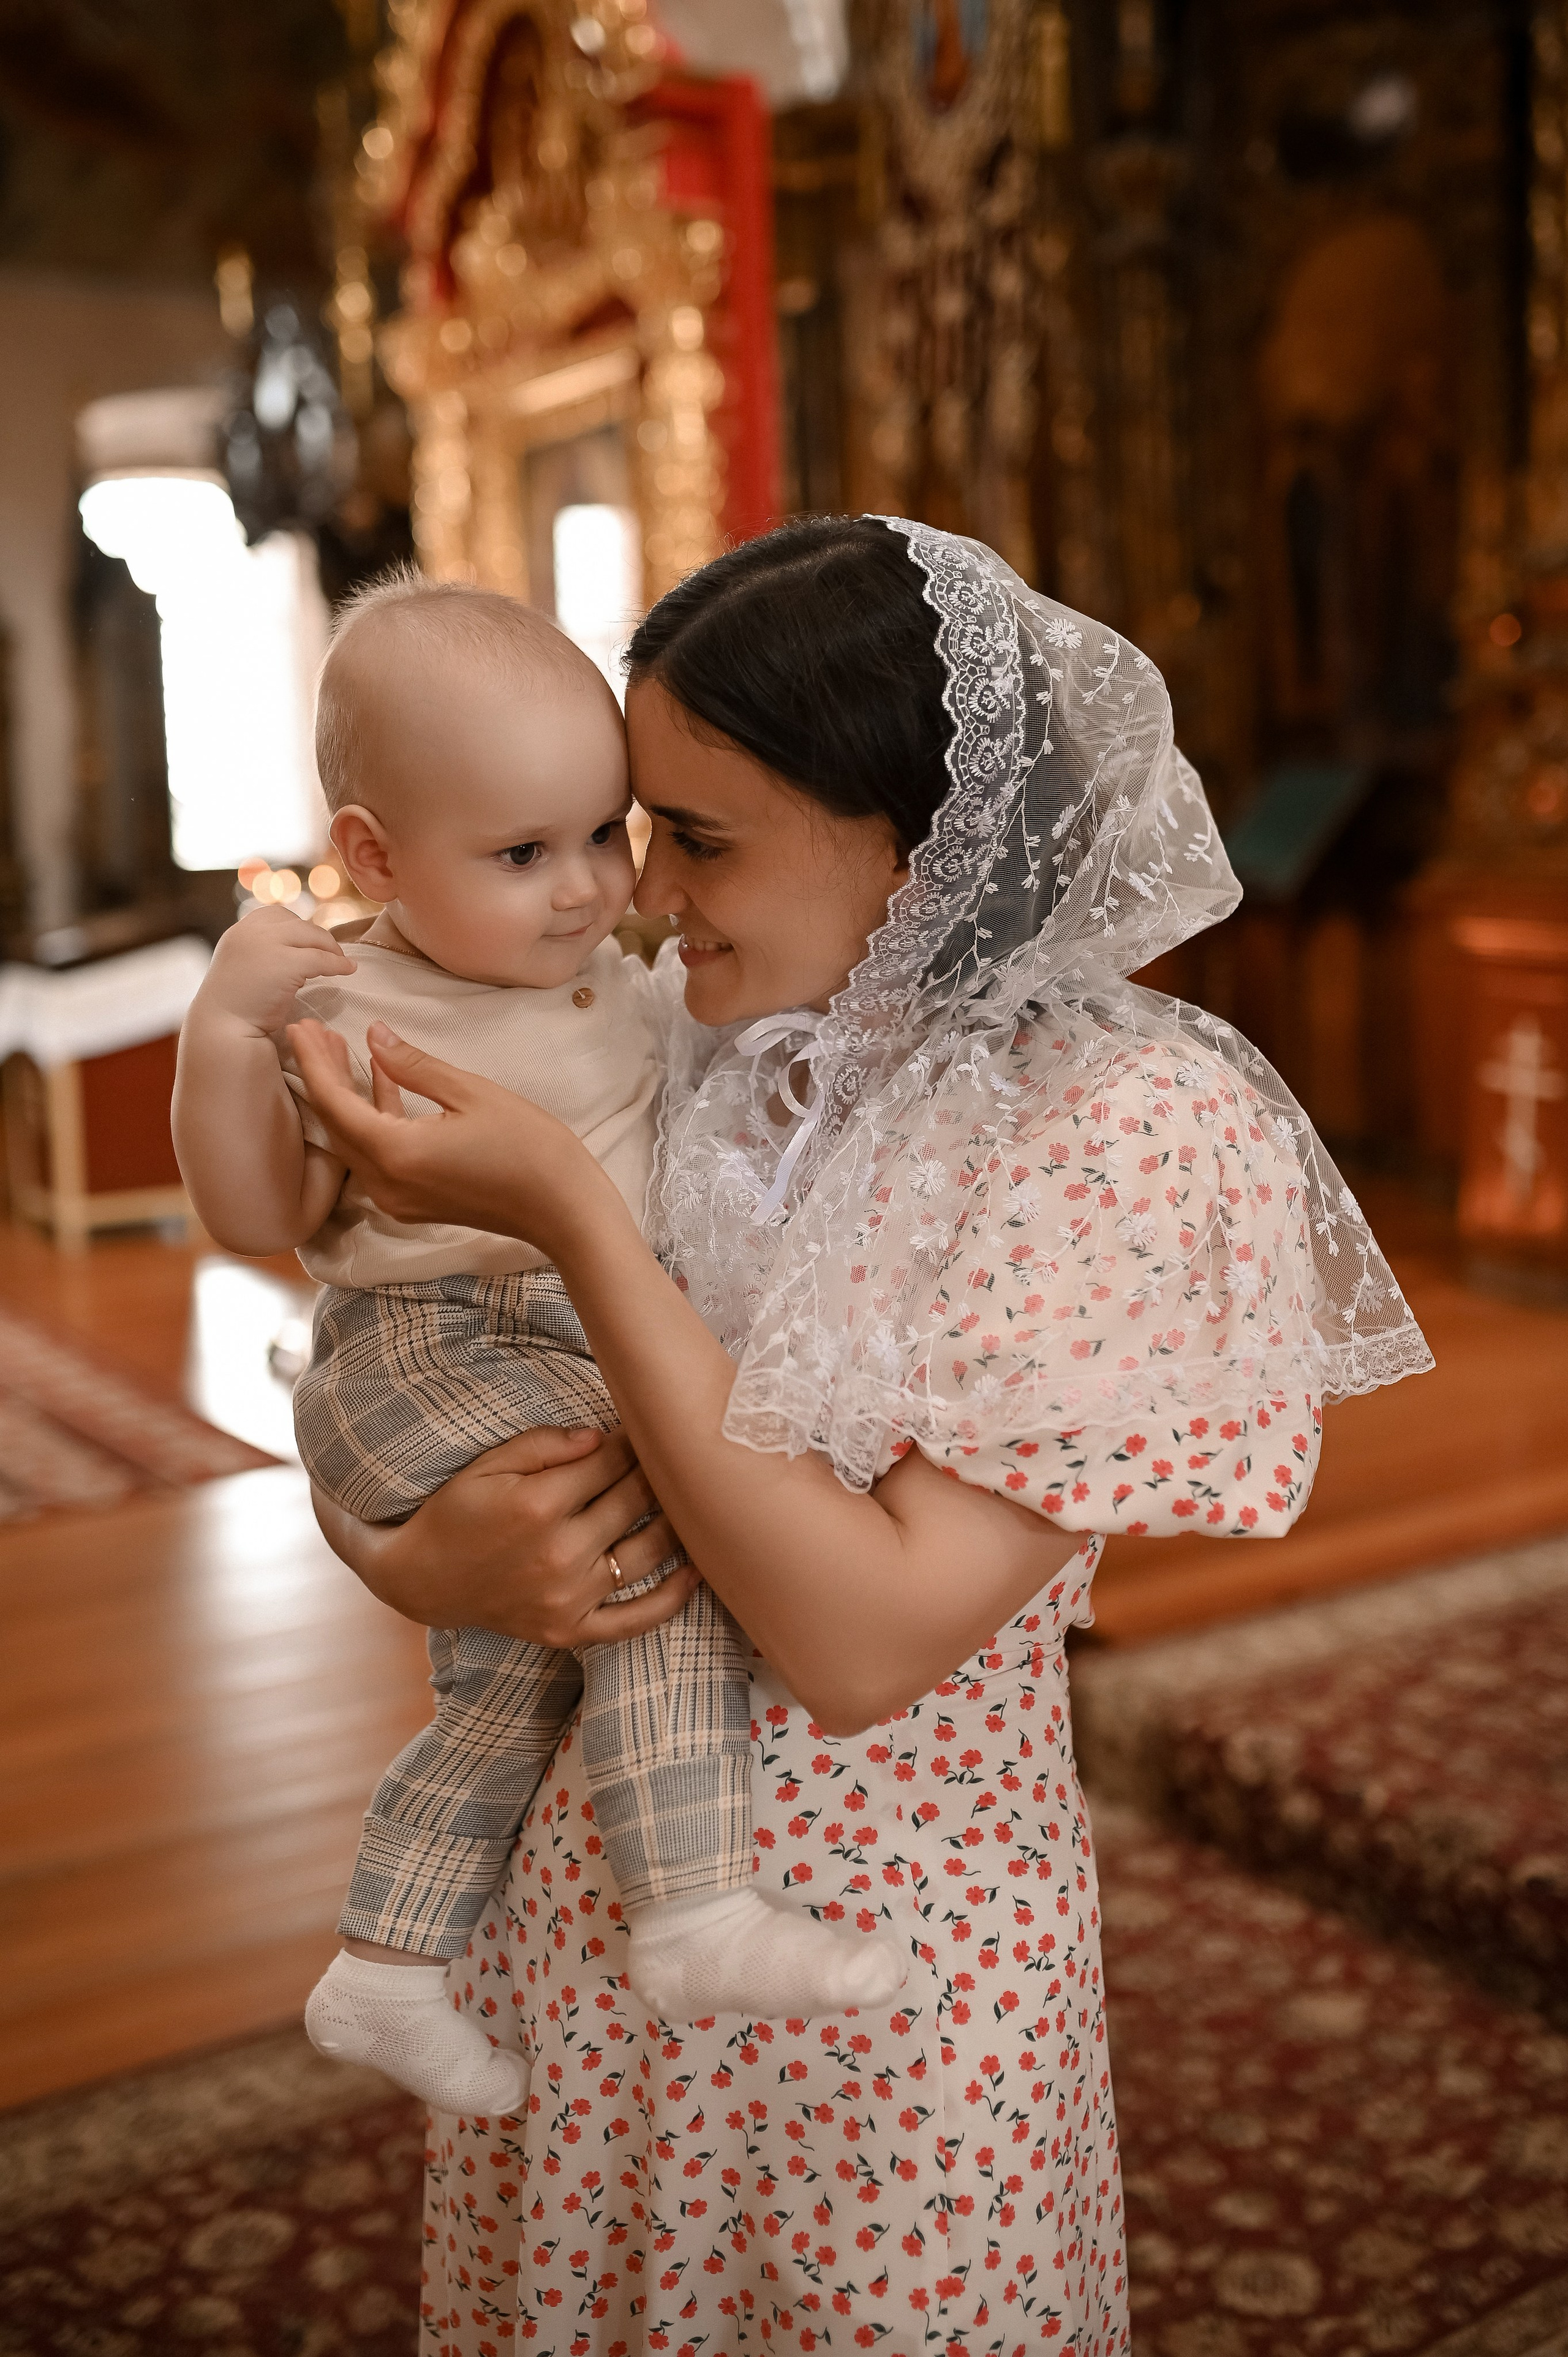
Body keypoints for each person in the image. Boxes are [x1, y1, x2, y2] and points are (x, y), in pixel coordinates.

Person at [295, 517, 1433, 2355]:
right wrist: (409, 1550)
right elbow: (418, 1355)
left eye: (699, 834)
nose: (643, 893)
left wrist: (578, 1223)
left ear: (916, 836)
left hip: (883, 1979)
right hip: (579, 1924)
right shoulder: (685, 1034)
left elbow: (862, 1644)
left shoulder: (1127, 1126)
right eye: (631, 825)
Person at [172, 572, 905, 2125]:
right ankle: (694, 1909)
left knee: (513, 1686)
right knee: (662, 1519)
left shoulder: (631, 989)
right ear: (370, 855)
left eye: (605, 832)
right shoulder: (346, 999)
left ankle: (388, 1955)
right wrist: (221, 1043)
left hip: (564, 1338)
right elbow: (254, 1214)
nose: (584, 887)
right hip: (424, 1339)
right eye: (520, 853)